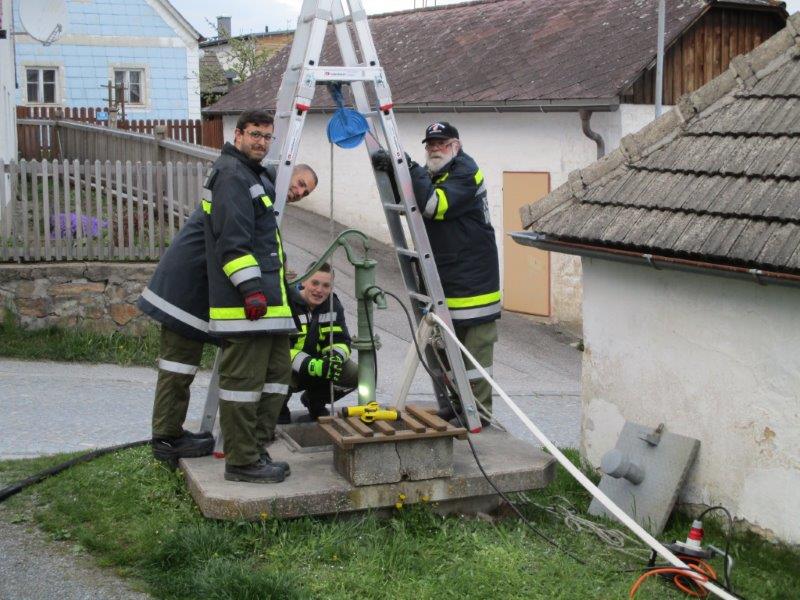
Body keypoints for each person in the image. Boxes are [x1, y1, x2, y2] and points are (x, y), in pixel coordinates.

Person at [138, 118, 317, 470]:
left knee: (183, 367)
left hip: (210, 285)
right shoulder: (238, 177)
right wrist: (252, 289)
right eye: (298, 183)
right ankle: (167, 440)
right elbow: (234, 244)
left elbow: (261, 247)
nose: (298, 192)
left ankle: (173, 436)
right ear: (239, 135)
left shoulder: (254, 177)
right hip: (187, 286)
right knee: (178, 366)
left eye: (305, 192)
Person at [373, 121, 500, 425]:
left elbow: (432, 205)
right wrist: (394, 170)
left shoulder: (466, 172)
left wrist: (408, 165)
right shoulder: (436, 172)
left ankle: (478, 415)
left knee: (473, 359)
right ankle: (457, 407)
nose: (434, 149)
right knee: (445, 353)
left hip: (473, 287)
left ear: (455, 145)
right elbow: (414, 195)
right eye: (430, 145)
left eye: (441, 144)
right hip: (445, 281)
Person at [276, 262, 358, 426]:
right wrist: (311, 365)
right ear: (304, 281)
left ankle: (315, 401)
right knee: (275, 369)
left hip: (320, 365)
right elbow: (281, 348)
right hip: (290, 367)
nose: (319, 290)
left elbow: (342, 340)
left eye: (326, 285)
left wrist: (334, 358)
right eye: (315, 283)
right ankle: (279, 408)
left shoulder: (333, 306)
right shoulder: (287, 303)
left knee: (357, 375)